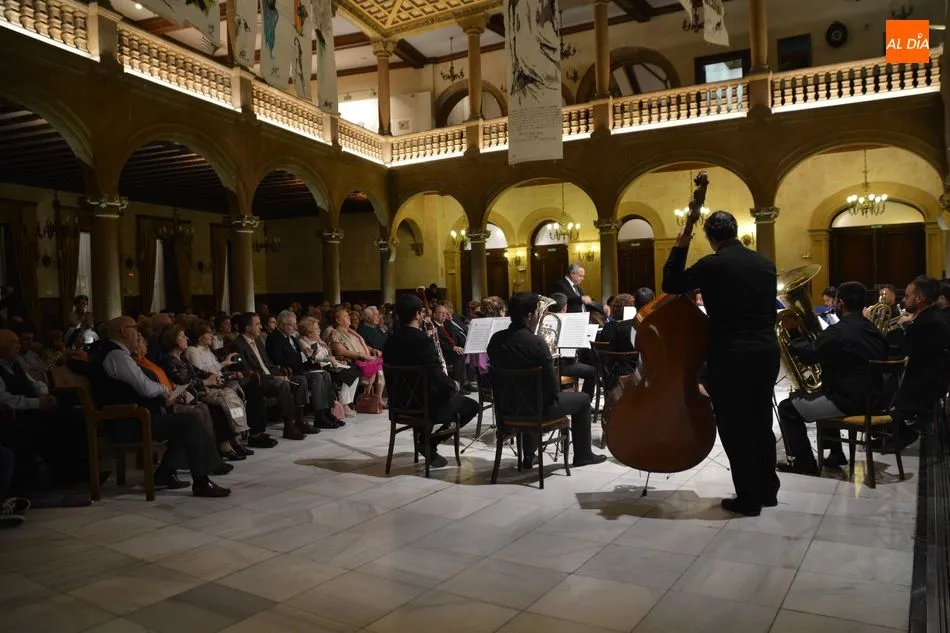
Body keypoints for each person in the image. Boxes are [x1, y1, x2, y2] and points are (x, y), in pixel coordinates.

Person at [662, 210, 780, 517]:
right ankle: (768, 491)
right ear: (735, 230)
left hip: (731, 354)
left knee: (736, 426)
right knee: (761, 421)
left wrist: (680, 245)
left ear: (710, 237)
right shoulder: (765, 264)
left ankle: (749, 498)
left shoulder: (712, 265)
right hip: (766, 351)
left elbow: (671, 283)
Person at [89, 318, 230, 497]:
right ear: (124, 331)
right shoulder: (117, 355)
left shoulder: (114, 353)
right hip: (128, 422)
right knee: (191, 420)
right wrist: (165, 390)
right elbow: (145, 387)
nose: (139, 334)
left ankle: (165, 473)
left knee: (187, 420)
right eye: (135, 329)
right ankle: (201, 482)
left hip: (132, 417)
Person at [776, 282, 887, 475]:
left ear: (840, 303)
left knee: (787, 408)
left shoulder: (839, 331)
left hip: (849, 401)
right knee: (824, 391)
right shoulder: (872, 329)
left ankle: (804, 464)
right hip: (876, 399)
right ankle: (836, 454)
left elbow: (808, 354)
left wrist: (793, 332)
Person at [487, 292, 607, 469]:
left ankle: (529, 455)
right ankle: (583, 456)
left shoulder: (495, 340)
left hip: (507, 409)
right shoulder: (536, 343)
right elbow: (552, 388)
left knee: (528, 394)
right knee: (582, 399)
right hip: (537, 410)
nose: (540, 316)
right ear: (529, 316)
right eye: (538, 312)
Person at [383, 294, 480, 468]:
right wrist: (453, 384)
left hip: (399, 404)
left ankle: (425, 438)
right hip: (424, 405)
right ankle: (430, 441)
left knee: (435, 393)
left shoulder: (389, 341)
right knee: (471, 407)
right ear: (417, 314)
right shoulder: (422, 341)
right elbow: (435, 374)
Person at [888, 276, 950, 449]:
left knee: (876, 386)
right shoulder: (933, 316)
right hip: (928, 379)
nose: (904, 299)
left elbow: (903, 351)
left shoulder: (926, 322)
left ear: (919, 299)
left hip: (923, 385)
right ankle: (889, 433)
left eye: (908, 296)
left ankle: (899, 432)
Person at [230, 313, 313, 440]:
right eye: (257, 324)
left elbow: (267, 364)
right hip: (256, 381)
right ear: (247, 328)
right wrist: (274, 378)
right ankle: (289, 426)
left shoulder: (258, 341)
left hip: (270, 375)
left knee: (300, 380)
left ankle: (300, 420)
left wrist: (278, 373)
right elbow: (246, 371)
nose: (261, 327)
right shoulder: (238, 345)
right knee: (282, 384)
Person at [266, 310, 343, 430]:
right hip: (289, 372)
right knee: (317, 377)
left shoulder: (291, 338)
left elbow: (302, 358)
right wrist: (303, 355)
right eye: (291, 324)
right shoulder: (274, 338)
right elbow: (279, 359)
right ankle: (319, 417)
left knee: (325, 374)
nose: (293, 327)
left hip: (301, 369)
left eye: (294, 324)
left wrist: (310, 356)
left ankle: (327, 412)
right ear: (281, 324)